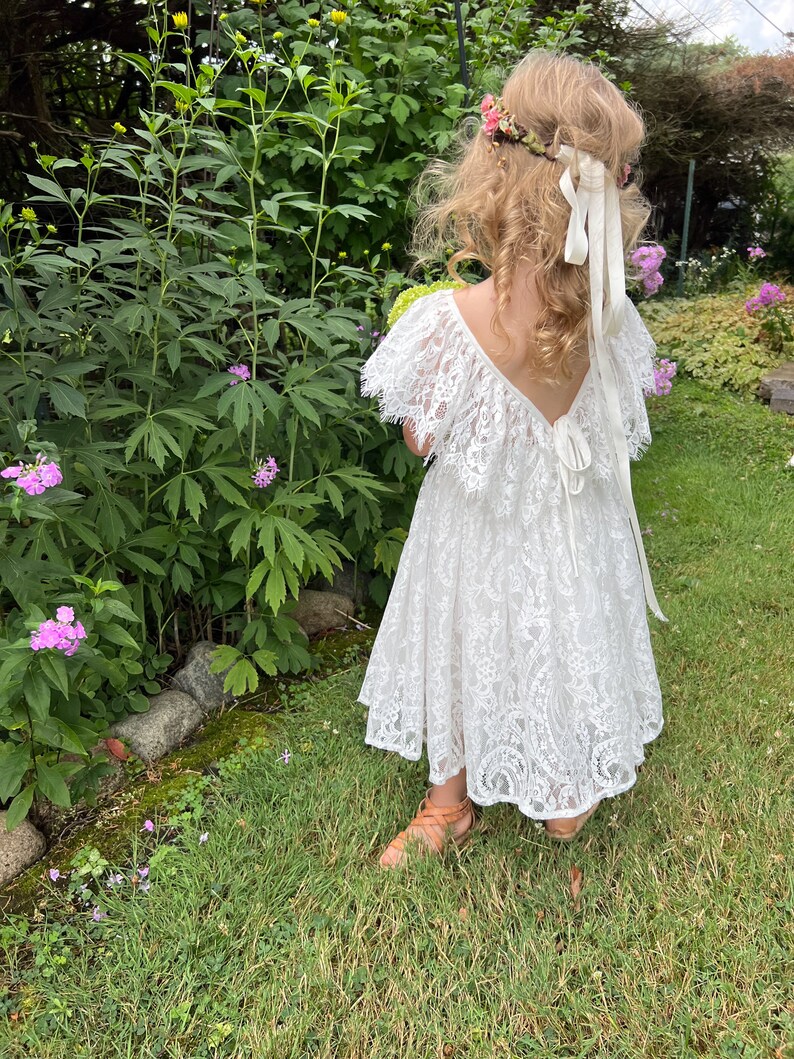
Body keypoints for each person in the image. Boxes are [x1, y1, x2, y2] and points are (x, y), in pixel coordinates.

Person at [358, 50, 667, 870]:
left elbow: (420, 440)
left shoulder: (446, 323)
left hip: (473, 536)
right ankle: (564, 792)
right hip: (572, 533)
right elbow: (615, 426)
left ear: (493, 172)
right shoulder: (608, 321)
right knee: (563, 629)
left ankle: (447, 804)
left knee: (460, 640)